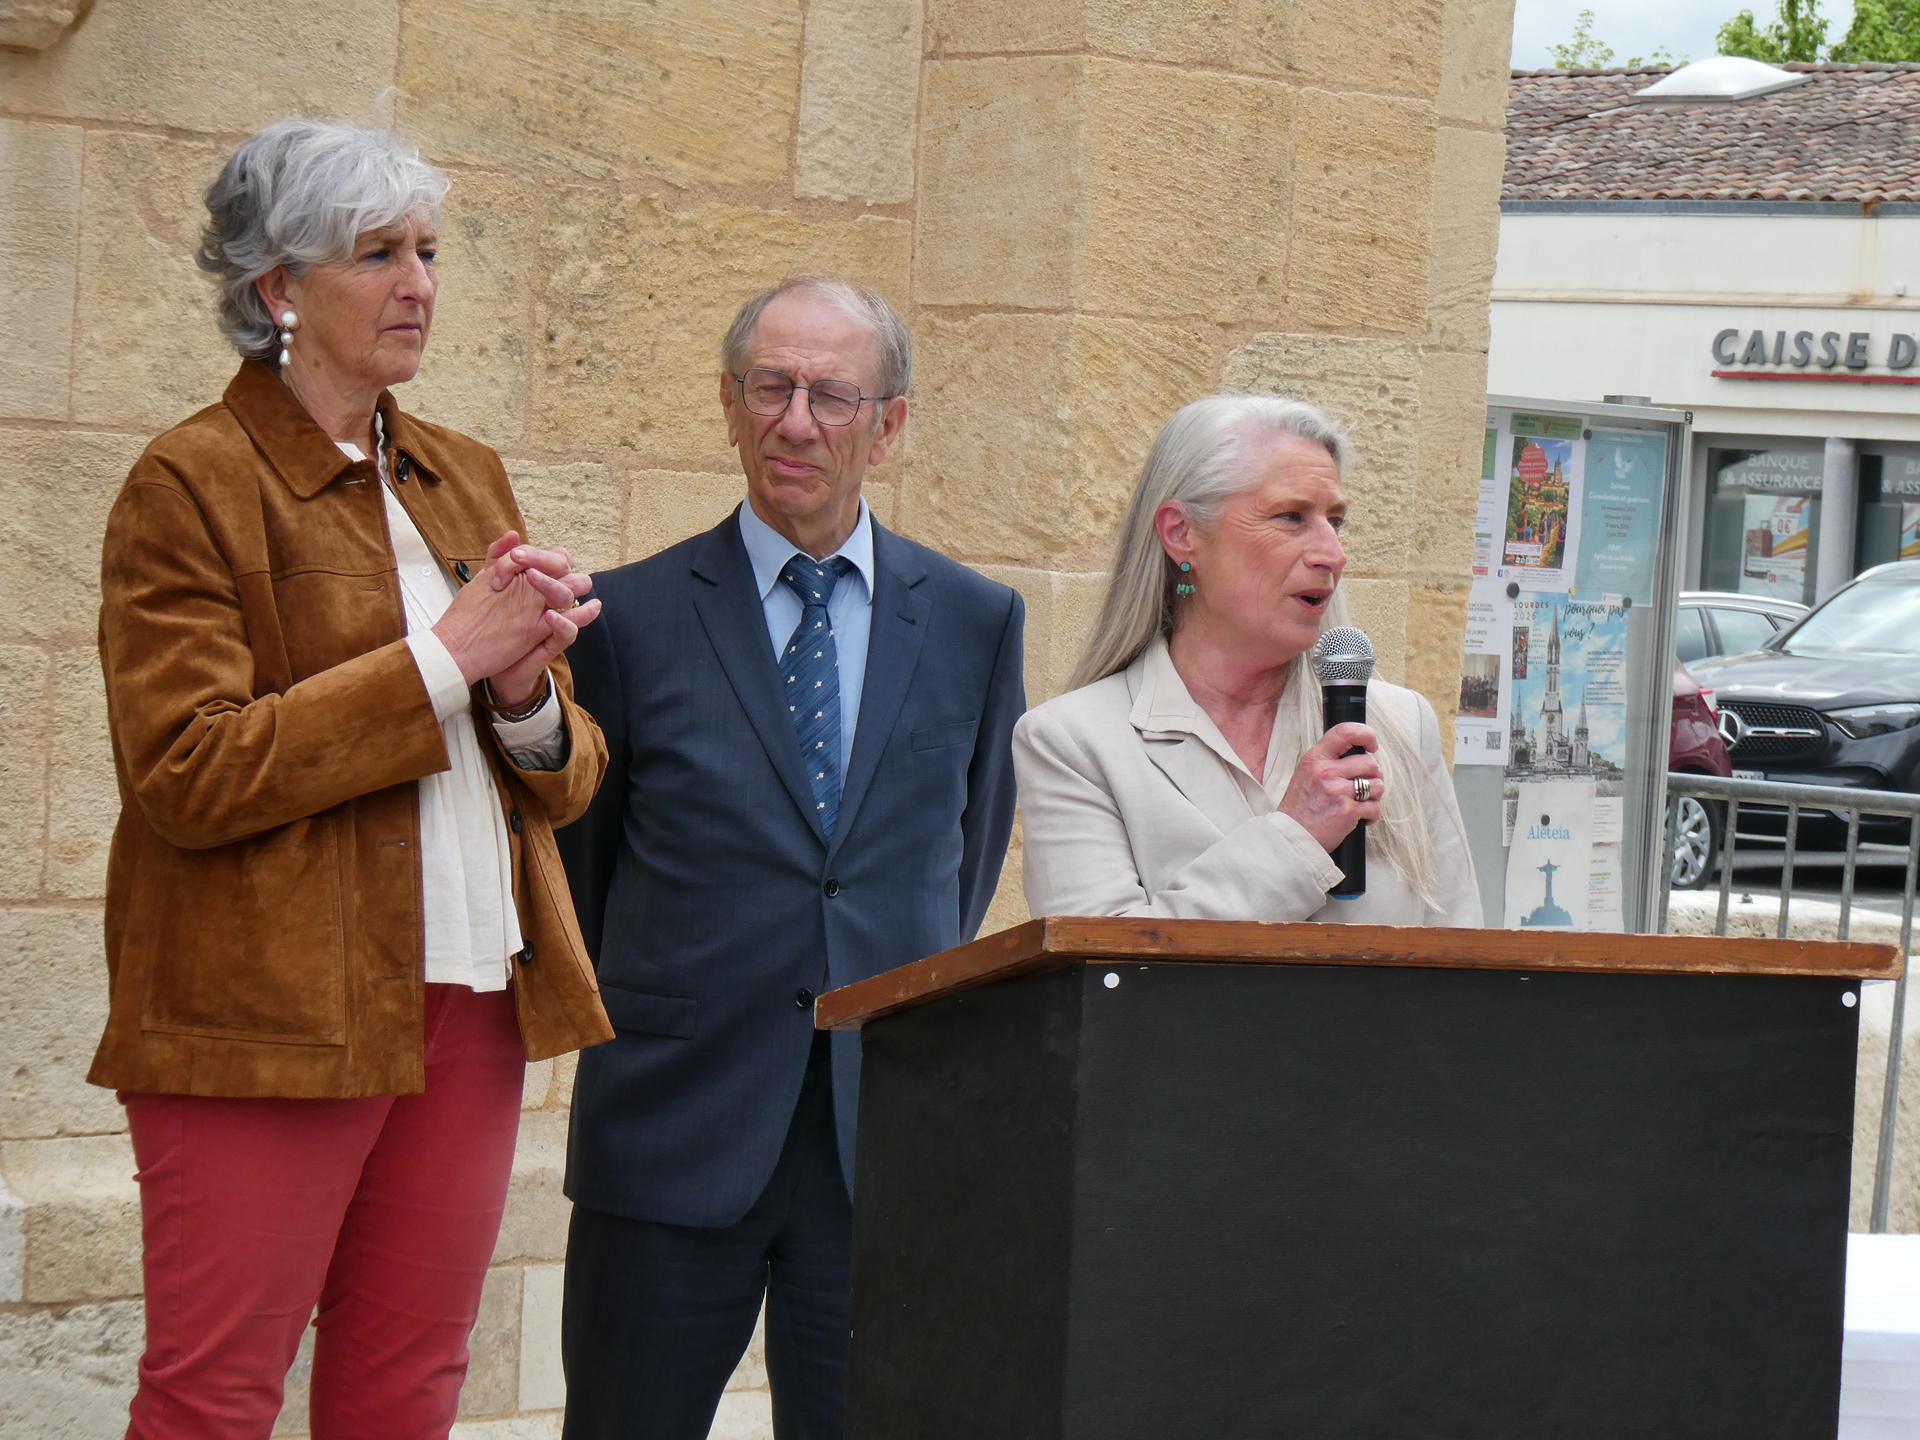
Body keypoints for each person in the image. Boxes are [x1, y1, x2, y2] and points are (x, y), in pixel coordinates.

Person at [89, 119, 614, 1440]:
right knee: (214, 1396)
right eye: (376, 254)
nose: (419, 282)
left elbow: (565, 774)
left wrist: (521, 692)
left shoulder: (462, 473)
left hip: (472, 999)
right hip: (263, 1009)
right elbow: (187, 770)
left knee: (406, 1396)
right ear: (279, 288)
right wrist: (448, 658)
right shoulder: (188, 484)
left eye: (428, 250)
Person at [555, 277, 1026, 1440]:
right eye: (771, 387)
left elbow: (961, 865)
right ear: (728, 404)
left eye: (832, 394)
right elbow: (588, 872)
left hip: (880, 1146)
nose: (797, 422)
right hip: (673, 1131)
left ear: (891, 422)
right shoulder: (629, 617)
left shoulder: (975, 620)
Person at [1014, 393, 1481, 925]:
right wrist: (1296, 837)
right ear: (1181, 533)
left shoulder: (1397, 723)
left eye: (1335, 520)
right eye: (1290, 517)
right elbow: (1101, 972)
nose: (1332, 553)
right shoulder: (1073, 741)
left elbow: (1460, 960)